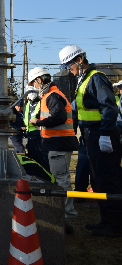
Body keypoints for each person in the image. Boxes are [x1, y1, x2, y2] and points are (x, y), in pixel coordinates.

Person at [59, 45, 122, 236]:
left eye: (69, 66)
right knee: (97, 179)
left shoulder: (96, 77)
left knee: (108, 179)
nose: (69, 71)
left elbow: (109, 107)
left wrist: (105, 133)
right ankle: (106, 220)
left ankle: (116, 225)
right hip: (90, 136)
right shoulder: (83, 80)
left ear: (79, 61)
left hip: (102, 135)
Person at [28, 66, 79, 225]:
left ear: (39, 80)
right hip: (57, 143)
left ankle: (67, 214)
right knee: (60, 178)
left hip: (59, 143)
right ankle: (64, 211)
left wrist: (39, 122)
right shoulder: (50, 95)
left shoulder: (52, 96)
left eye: (34, 84)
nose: (34, 87)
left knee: (62, 179)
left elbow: (59, 117)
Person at [23, 85, 50, 171]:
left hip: (39, 134)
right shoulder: (27, 104)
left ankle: (46, 176)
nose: (31, 94)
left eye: (33, 91)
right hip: (30, 134)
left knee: (42, 158)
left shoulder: (41, 102)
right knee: (32, 158)